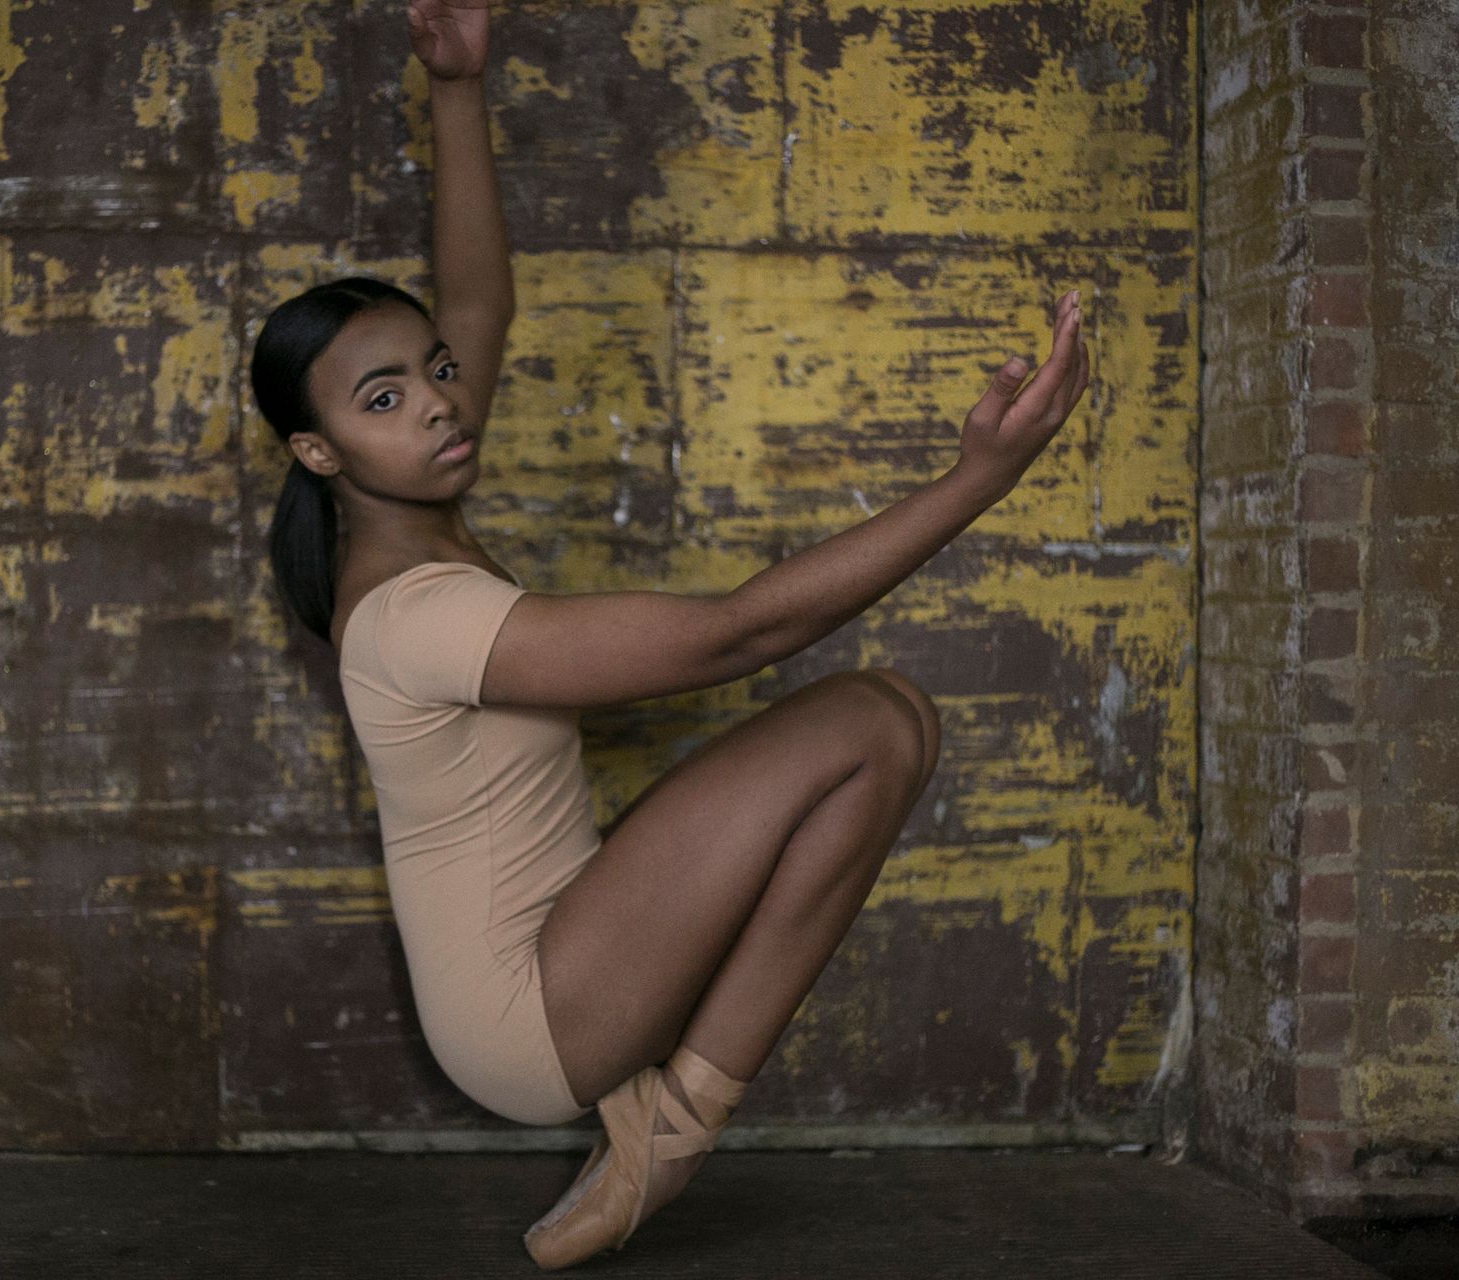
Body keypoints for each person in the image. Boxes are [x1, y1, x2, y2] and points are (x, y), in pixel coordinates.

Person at [249, 0, 1090, 1270]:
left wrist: (458, 88)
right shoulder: (414, 614)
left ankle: (656, 1123)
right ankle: (670, 1133)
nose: (436, 403)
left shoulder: (411, 512)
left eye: (434, 371)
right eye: (385, 396)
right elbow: (733, 634)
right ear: (319, 452)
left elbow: (475, 298)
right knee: (868, 720)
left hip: (575, 945)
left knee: (895, 717)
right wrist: (977, 479)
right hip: (528, 1015)